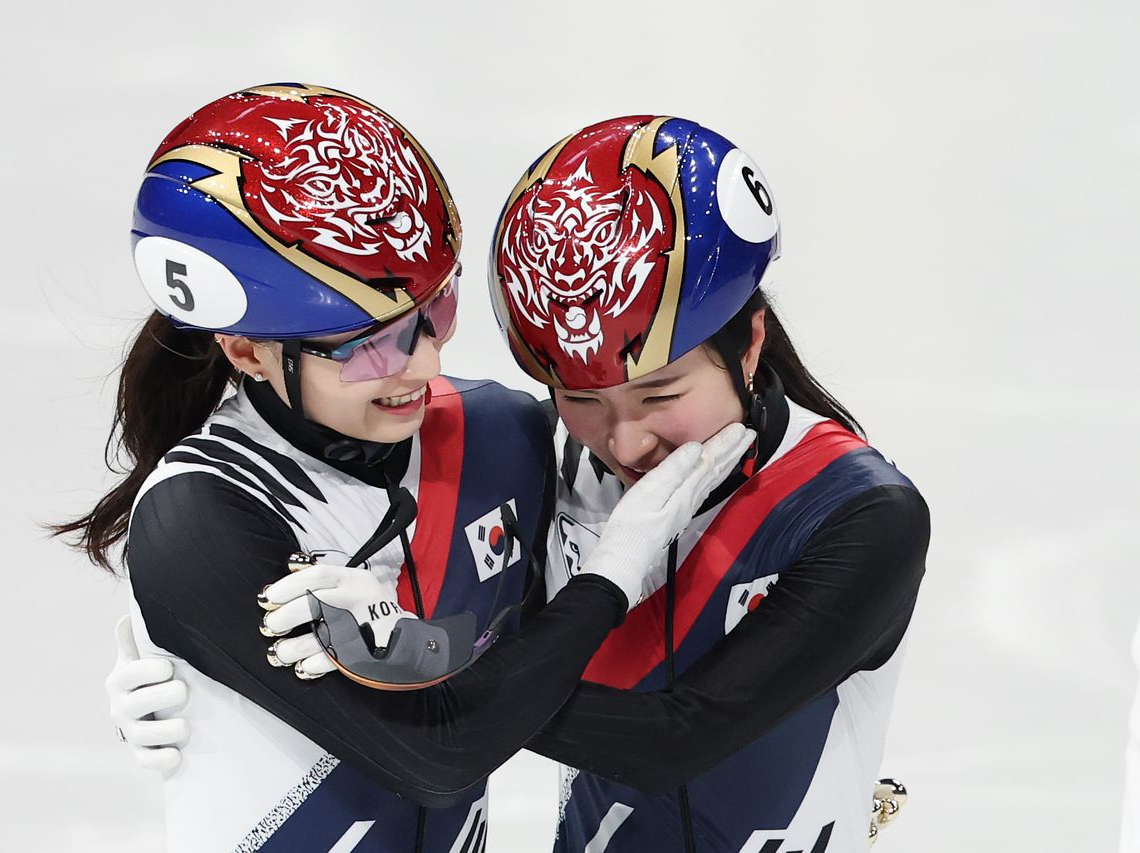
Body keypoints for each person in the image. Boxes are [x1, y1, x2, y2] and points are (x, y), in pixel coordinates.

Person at [108, 113, 930, 852]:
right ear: (245, 350)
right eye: (580, 397)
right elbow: (463, 700)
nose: (627, 437)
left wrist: (417, 661)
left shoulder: (859, 515)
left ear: (750, 344)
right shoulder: (535, 455)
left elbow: (667, 736)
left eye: (436, 314)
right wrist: (228, 668)